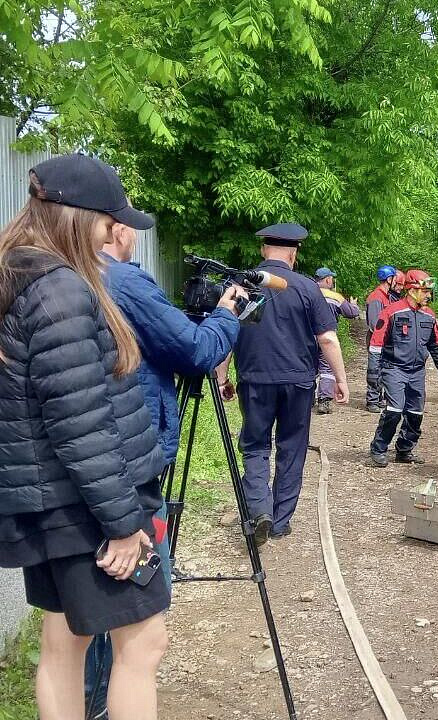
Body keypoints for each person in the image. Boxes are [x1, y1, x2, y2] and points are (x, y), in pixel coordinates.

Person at [0, 154, 169, 720]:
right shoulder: (62, 292)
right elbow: (80, 424)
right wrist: (123, 525)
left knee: (62, 645)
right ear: (77, 218)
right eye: (106, 221)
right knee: (142, 643)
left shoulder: (22, 275)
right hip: (85, 511)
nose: (110, 233)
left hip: (54, 507)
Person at [84, 190, 245, 719]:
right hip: (129, 457)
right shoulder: (123, 281)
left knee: (76, 617)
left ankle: (90, 701)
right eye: (128, 226)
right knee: (140, 620)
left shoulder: (55, 274)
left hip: (80, 459)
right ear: (114, 229)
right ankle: (106, 703)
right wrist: (226, 315)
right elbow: (196, 351)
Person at [216, 223, 349, 545]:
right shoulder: (307, 288)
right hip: (298, 382)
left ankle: (260, 509)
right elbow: (327, 338)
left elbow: (225, 331)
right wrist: (341, 380)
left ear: (264, 250)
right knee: (292, 448)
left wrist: (222, 377)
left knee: (255, 445)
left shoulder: (240, 285)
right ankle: (280, 522)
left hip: (255, 380)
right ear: (294, 253)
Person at [367, 269, 438, 467]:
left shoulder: (429, 315)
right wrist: (373, 373)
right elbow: (376, 343)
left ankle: (404, 449)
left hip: (417, 372)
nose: (429, 295)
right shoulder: (391, 312)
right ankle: (378, 449)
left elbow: (435, 344)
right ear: (412, 290)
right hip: (394, 368)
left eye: (429, 291)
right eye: (425, 291)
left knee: (415, 413)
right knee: (394, 410)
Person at [314, 266, 359, 415]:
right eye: (332, 278)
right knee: (327, 368)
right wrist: (353, 304)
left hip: (307, 337)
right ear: (327, 279)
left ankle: (306, 399)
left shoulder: (307, 293)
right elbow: (352, 313)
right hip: (327, 336)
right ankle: (324, 401)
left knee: (309, 367)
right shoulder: (335, 297)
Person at [364, 265, 397, 413]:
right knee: (374, 370)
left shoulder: (385, 297)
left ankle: (378, 399)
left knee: (382, 370)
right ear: (389, 279)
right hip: (376, 340)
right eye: (394, 278)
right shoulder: (376, 298)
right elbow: (374, 324)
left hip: (385, 340)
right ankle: (372, 401)